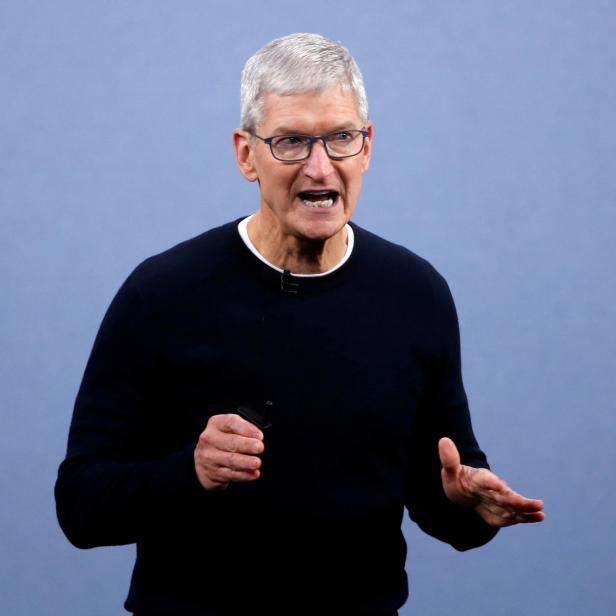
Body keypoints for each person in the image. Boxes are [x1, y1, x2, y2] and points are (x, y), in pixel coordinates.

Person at [55, 33, 544, 615]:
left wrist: (468, 506)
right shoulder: (161, 294)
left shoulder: (417, 294)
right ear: (245, 154)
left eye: (341, 137)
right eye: (290, 141)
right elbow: (81, 507)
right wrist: (191, 472)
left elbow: (441, 499)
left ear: (367, 147)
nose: (320, 167)